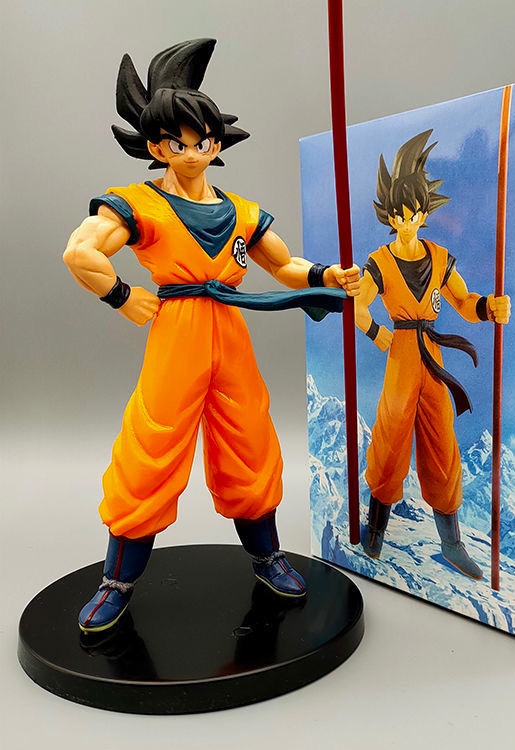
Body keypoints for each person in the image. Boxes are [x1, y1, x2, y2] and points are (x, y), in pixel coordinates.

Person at [63, 39, 359, 633]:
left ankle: (267, 557)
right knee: (152, 447)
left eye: (202, 142)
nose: (192, 153)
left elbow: (284, 266)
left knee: (250, 440)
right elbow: (80, 251)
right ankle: (117, 580)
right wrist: (121, 295)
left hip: (230, 332)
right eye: (177, 143)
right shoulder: (139, 204)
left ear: (217, 144)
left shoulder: (242, 212)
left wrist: (329, 275)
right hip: (177, 334)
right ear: (156, 147)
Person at [354, 130, 510, 580]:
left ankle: (452, 543)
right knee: (390, 440)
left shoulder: (440, 257)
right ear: (390, 216)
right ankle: (375, 532)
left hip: (433, 357)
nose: (408, 222)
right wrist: (377, 333)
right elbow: (358, 306)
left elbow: (463, 301)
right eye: (400, 215)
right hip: (402, 354)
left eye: (415, 213)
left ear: (424, 213)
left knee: (442, 444)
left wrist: (489, 307)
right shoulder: (380, 262)